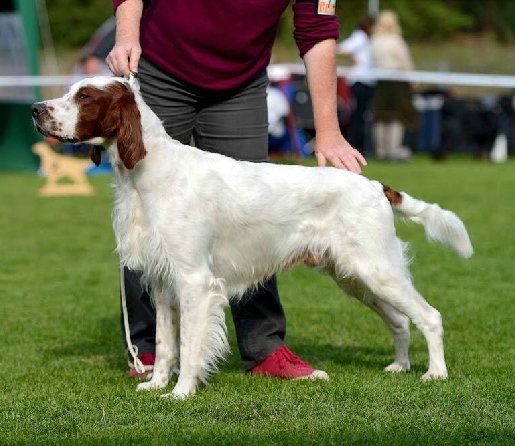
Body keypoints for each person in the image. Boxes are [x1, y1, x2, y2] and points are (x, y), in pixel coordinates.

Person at [107, 0, 367, 381]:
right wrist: (126, 36)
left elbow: (318, 30)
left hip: (240, 85)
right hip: (160, 67)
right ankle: (147, 351)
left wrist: (327, 130)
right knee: (146, 215)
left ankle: (264, 349)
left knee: (257, 211)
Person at [369, 10, 418, 161]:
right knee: (396, 117)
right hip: (397, 81)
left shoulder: (374, 41)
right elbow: (405, 62)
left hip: (381, 81)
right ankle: (393, 150)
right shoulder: (396, 40)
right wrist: (414, 80)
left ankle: (381, 150)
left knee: (381, 117)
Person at [338, 15, 376, 155]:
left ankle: (358, 145)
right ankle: (354, 145)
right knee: (357, 116)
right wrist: (353, 59)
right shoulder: (360, 37)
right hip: (360, 79)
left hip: (367, 79)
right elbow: (343, 49)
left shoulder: (366, 38)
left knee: (361, 115)